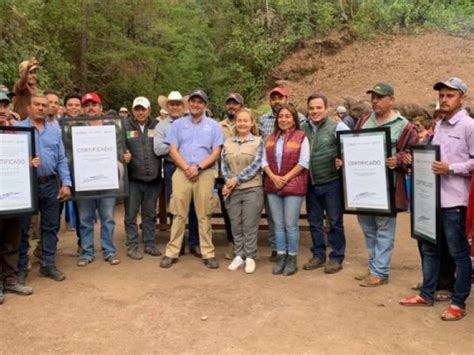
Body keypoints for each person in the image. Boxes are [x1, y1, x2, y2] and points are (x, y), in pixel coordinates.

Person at [401, 77, 473, 321]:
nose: (444, 99)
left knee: (458, 253)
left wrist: (450, 168)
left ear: (462, 98)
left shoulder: (469, 126)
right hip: (430, 200)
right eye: (442, 95)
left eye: (450, 95)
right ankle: (426, 293)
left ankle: (458, 302)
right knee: (429, 248)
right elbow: (430, 158)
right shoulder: (439, 126)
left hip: (454, 203)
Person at [349, 83, 417, 287]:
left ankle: (380, 271)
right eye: (373, 97)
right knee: (368, 228)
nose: (375, 101)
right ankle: (373, 266)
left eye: (380, 97)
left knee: (385, 229)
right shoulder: (362, 121)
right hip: (362, 186)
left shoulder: (404, 126)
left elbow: (412, 154)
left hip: (388, 188)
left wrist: (398, 159)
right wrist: (344, 159)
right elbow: (352, 146)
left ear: (391, 100)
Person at [160, 90, 224, 269]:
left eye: (200, 102)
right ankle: (172, 252)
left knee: (204, 214)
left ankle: (207, 252)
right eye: (193, 101)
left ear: (205, 105)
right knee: (178, 212)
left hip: (205, 172)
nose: (196, 105)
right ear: (189, 104)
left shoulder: (214, 126)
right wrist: (187, 167)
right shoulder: (178, 125)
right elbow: (173, 149)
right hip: (182, 171)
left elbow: (216, 152)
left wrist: (199, 167)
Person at [15, 94, 72, 283]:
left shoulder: (55, 131)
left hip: (49, 184)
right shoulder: (16, 129)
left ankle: (48, 264)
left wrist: (66, 183)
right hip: (25, 185)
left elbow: (62, 158)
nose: (41, 108)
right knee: (23, 228)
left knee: (50, 226)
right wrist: (24, 162)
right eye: (37, 105)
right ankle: (21, 267)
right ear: (29, 107)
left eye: (44, 105)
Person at [75, 93, 128, 267]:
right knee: (85, 218)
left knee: (107, 217)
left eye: (94, 104)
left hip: (107, 180)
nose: (91, 107)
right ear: (83, 108)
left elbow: (120, 150)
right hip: (85, 181)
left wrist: (125, 156)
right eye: (87, 105)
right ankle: (87, 252)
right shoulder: (76, 128)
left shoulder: (112, 127)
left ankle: (109, 251)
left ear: (100, 107)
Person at [0, 92, 40, 303]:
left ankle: (10, 280)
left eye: (5, 106)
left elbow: (20, 160)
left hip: (14, 196)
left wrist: (30, 163)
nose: (2, 110)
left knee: (12, 240)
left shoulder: (16, 132)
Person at [302, 94, 348, 274]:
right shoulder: (302, 128)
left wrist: (342, 159)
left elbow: (351, 147)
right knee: (314, 222)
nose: (315, 111)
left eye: (318, 108)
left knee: (335, 221)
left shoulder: (338, 126)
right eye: (312, 108)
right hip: (310, 183)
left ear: (327, 108)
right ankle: (318, 255)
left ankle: (336, 257)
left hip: (331, 182)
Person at [258, 87, 306, 262]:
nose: (276, 101)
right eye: (273, 98)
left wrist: (285, 178)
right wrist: (272, 176)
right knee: (275, 220)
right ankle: (277, 250)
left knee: (290, 222)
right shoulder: (264, 121)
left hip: (293, 179)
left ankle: (290, 255)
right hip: (271, 178)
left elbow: (303, 160)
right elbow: (261, 154)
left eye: (280, 98)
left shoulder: (301, 124)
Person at [154, 91, 200, 257]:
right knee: (175, 206)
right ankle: (177, 243)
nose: (175, 107)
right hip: (171, 167)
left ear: (183, 106)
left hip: (192, 167)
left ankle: (195, 242)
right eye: (172, 104)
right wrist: (176, 148)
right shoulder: (161, 126)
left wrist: (177, 148)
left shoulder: (193, 123)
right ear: (167, 106)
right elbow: (158, 149)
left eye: (178, 104)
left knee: (195, 205)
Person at [221, 109, 264, 273]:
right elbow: (223, 165)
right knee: (236, 224)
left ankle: (251, 256)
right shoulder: (228, 142)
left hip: (252, 188)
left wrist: (235, 180)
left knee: (249, 224)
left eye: (246, 120)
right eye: (239, 120)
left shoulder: (258, 142)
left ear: (252, 123)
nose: (242, 123)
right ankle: (239, 254)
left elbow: (256, 165)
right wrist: (228, 181)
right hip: (232, 190)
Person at [124, 96, 161, 259]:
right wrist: (122, 155)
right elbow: (118, 147)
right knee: (131, 215)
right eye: (137, 109)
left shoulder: (158, 126)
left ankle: (150, 243)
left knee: (150, 214)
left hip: (153, 179)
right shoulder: (124, 126)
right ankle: (132, 245)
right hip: (132, 179)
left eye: (143, 109)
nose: (140, 112)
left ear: (149, 110)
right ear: (133, 110)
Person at [219, 93, 245, 259]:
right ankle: (232, 244)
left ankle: (247, 245)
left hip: (245, 174)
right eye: (229, 103)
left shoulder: (249, 122)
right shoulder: (217, 126)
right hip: (225, 175)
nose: (231, 107)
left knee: (246, 212)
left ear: (241, 106)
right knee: (228, 212)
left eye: (235, 104)